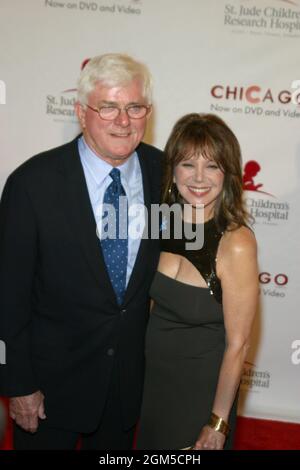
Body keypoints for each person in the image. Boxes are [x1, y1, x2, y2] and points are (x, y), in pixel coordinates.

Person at [0, 53, 162, 450]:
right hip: (46, 396)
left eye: (134, 107)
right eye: (108, 106)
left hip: (125, 392)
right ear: (80, 112)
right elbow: (8, 295)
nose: (123, 121)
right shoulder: (31, 184)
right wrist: (18, 384)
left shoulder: (166, 174)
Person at [136, 113, 259, 450]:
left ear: (228, 174)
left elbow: (239, 345)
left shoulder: (235, 242)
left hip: (199, 394)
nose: (199, 178)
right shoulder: (161, 224)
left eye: (213, 166)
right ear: (173, 171)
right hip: (153, 388)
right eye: (188, 164)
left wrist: (217, 423)